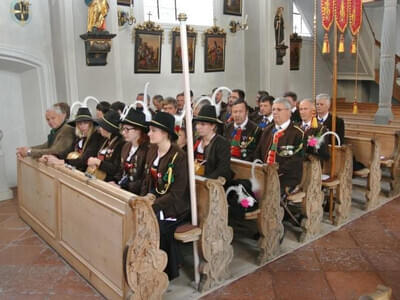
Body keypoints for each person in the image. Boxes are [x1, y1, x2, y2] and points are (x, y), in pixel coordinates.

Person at [140, 112, 190, 280]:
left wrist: (153, 205)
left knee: (156, 225)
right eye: (149, 130)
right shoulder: (152, 150)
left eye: (153, 130)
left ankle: (164, 269)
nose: (149, 134)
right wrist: (144, 198)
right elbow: (147, 180)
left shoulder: (179, 157)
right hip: (155, 200)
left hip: (174, 207)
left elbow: (177, 193)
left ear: (165, 133)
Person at [252, 97, 304, 194]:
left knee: (265, 192)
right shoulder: (267, 130)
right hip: (264, 173)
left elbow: (295, 160)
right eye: (273, 110)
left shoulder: (298, 133)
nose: (275, 112)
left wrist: (273, 172)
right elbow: (258, 152)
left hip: (285, 177)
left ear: (289, 112)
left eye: (279, 110)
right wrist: (260, 169)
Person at [41, 106, 105, 171]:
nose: (82, 126)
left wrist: (62, 161)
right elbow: (68, 150)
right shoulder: (79, 137)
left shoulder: (95, 137)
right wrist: (54, 156)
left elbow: (84, 160)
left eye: (85, 123)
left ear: (90, 124)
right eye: (80, 123)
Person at [112, 108, 149, 194]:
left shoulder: (146, 150)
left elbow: (143, 180)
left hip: (135, 193)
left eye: (127, 129)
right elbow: (121, 170)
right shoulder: (126, 146)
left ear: (139, 130)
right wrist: (115, 181)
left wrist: (123, 186)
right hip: (123, 190)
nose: (123, 133)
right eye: (123, 129)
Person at [193, 105, 232, 181]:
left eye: (203, 124)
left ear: (213, 126)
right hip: (195, 181)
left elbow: (223, 170)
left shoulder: (222, 143)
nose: (198, 127)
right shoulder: (196, 141)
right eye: (197, 123)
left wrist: (205, 180)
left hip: (213, 183)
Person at [86, 110, 124, 181]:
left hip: (110, 181)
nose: (100, 129)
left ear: (107, 128)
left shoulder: (120, 143)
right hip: (99, 177)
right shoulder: (105, 140)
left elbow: (115, 168)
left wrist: (98, 162)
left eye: (102, 126)